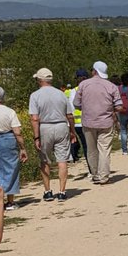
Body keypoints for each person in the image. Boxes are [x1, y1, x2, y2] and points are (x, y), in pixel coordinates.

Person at [29, 68, 77, 202]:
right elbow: (70, 115)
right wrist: (72, 131)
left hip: (45, 126)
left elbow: (34, 118)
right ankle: (62, 191)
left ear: (39, 80)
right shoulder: (61, 94)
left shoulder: (35, 95)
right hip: (61, 125)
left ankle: (48, 191)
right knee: (62, 160)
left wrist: (36, 136)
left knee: (45, 160)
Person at [72, 61, 122, 185]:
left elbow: (76, 104)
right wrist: (110, 110)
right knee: (104, 149)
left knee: (91, 150)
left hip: (88, 122)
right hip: (106, 122)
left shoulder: (83, 85)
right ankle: (104, 176)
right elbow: (119, 106)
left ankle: (94, 175)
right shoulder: (111, 86)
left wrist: (86, 107)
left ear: (93, 71)